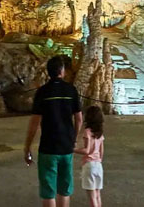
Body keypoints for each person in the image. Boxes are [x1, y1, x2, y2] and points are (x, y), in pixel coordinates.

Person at [24, 56, 83, 207]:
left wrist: (27, 147)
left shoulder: (42, 92)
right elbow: (79, 119)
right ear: (62, 71)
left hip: (48, 148)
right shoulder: (71, 90)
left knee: (48, 191)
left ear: (48, 72)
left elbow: (34, 123)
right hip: (66, 147)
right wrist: (74, 138)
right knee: (64, 189)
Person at [74, 106, 104, 207]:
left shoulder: (87, 132)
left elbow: (86, 150)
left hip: (89, 165)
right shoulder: (100, 133)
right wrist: (99, 160)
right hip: (99, 165)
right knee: (97, 194)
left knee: (91, 196)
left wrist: (72, 150)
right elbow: (101, 151)